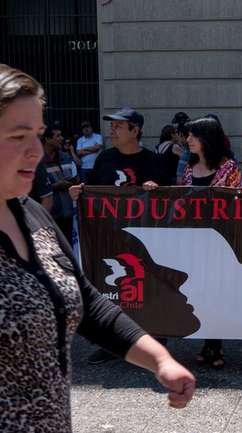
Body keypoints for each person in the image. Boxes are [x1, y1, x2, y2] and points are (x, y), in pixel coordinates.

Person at [0, 62, 195, 432]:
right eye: (17, 136)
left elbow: (87, 303)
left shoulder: (33, 215)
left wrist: (159, 360)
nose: (36, 152)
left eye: (38, 135)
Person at [69, 107, 167, 364]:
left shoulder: (154, 161)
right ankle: (113, 342)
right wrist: (78, 192)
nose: (111, 132)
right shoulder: (105, 158)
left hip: (145, 239)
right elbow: (91, 189)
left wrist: (156, 190)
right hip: (109, 237)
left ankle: (155, 338)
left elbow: (171, 198)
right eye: (111, 127)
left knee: (147, 287)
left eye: (118, 127)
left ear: (135, 130)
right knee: (113, 288)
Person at [177, 116, 242, 368]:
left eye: (193, 135)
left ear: (207, 138)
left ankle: (215, 344)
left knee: (216, 292)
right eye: (188, 135)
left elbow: (236, 203)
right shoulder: (189, 168)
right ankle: (207, 340)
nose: (188, 140)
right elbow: (181, 198)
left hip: (220, 239)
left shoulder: (229, 167)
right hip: (194, 239)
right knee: (199, 291)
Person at [42, 126, 80, 237]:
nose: (62, 138)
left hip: (70, 215)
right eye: (58, 136)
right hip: (50, 217)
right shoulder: (38, 161)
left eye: (61, 135)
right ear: (47, 139)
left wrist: (73, 182)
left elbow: (77, 179)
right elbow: (34, 190)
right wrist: (55, 186)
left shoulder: (66, 157)